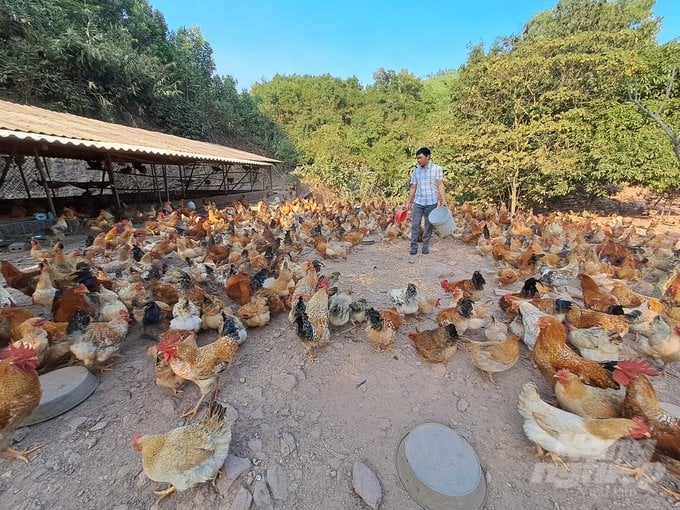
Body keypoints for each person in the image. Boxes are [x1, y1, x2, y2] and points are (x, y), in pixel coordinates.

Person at [402, 147, 446, 255]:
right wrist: (408, 202)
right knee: (415, 225)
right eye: (417, 158)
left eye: (420, 158)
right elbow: (413, 187)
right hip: (418, 202)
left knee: (428, 226)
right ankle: (413, 247)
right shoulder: (416, 172)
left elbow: (440, 185)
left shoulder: (437, 169)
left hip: (431, 202)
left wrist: (443, 200)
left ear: (427, 157)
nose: (418, 160)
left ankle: (425, 246)